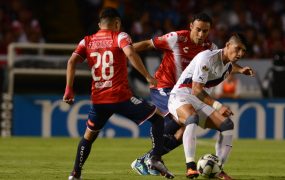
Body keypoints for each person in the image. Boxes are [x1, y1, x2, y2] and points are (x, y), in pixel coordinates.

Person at [64, 7, 174, 180]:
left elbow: (71, 62)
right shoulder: (120, 36)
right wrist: (147, 76)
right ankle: (155, 158)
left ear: (100, 24)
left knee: (89, 136)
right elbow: (130, 52)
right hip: (120, 97)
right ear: (117, 23)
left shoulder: (87, 41)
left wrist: (69, 89)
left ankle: (75, 174)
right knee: (158, 118)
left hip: (99, 100)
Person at [131, 13, 218, 175]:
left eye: (205, 31)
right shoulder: (177, 38)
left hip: (184, 93)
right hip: (163, 87)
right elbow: (147, 44)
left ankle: (147, 159)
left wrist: (239, 68)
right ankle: (152, 155)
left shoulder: (211, 49)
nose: (201, 35)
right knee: (184, 119)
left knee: (186, 129)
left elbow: (224, 62)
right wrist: (123, 51)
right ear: (191, 26)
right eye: (198, 30)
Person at [167, 33, 254, 179]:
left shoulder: (227, 63)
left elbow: (229, 66)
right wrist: (218, 106)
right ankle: (190, 166)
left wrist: (240, 70)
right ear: (227, 45)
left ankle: (218, 168)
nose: (240, 54)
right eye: (237, 48)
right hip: (181, 95)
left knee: (227, 125)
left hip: (198, 101)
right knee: (192, 118)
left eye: (243, 51)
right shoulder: (206, 57)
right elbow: (196, 90)